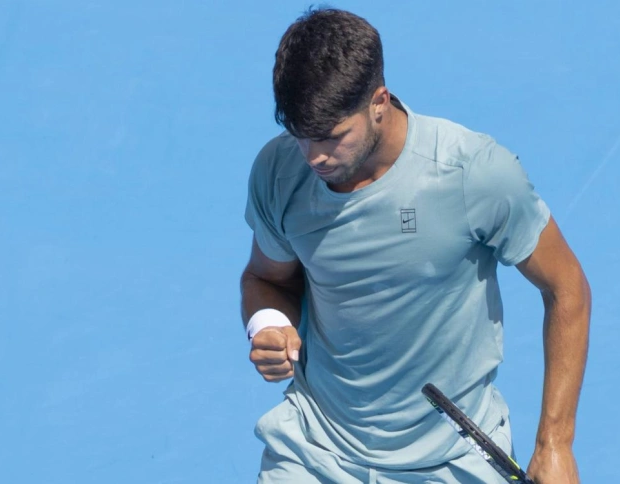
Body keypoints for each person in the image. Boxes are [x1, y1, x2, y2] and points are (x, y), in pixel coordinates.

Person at [240, 7, 591, 484]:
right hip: (316, 448)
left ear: (378, 101)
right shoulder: (280, 171)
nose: (314, 156)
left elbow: (566, 286)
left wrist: (555, 444)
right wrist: (269, 323)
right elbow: (266, 277)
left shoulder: (473, 172)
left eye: (331, 137)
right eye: (300, 136)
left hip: (452, 459)